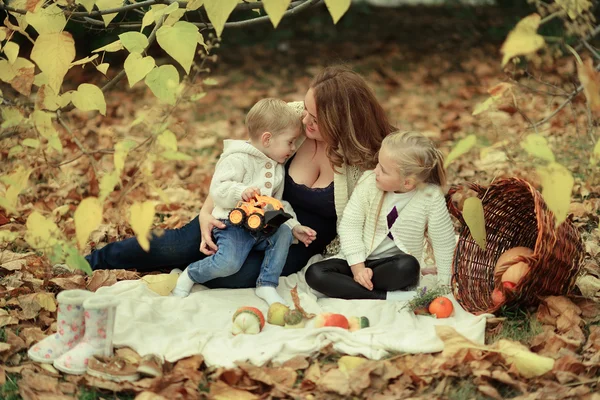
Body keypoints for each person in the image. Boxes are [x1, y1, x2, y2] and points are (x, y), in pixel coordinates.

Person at [84, 66, 396, 290]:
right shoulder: (293, 118)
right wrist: (207, 212)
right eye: (307, 111)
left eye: (315, 119)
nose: (304, 119)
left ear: (341, 121)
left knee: (234, 276)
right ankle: (91, 261)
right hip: (244, 211)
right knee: (178, 247)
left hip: (292, 236)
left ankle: (195, 271)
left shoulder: (365, 161)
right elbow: (237, 162)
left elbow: (395, 209)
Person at [171, 98, 316, 305]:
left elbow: (276, 204)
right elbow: (218, 189)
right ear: (267, 139)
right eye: (290, 142)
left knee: (282, 232)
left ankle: (267, 284)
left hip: (260, 224)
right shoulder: (237, 158)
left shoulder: (275, 166)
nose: (293, 147)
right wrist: (241, 191)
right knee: (229, 264)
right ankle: (191, 274)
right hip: (232, 225)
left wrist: (294, 226)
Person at [304, 131, 456, 301]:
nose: (375, 170)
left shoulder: (430, 197)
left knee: (408, 266)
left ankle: (352, 289)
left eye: (383, 170)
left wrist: (445, 285)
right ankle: (386, 296)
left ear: (407, 182)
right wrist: (358, 268)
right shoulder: (369, 182)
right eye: (378, 164)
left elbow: (443, 241)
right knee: (315, 273)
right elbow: (350, 225)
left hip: (390, 268)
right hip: (357, 260)